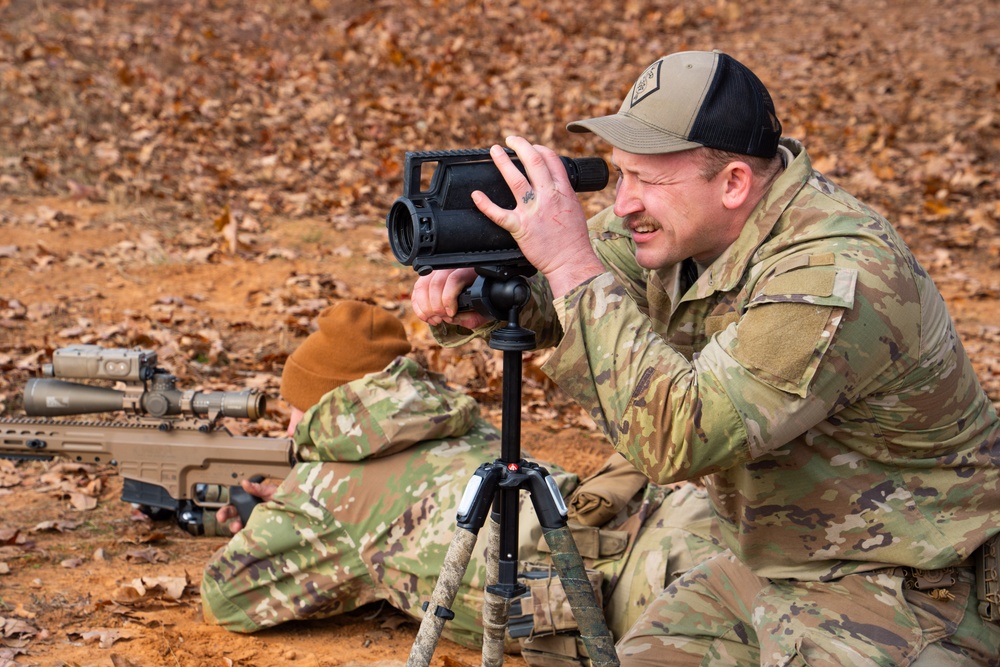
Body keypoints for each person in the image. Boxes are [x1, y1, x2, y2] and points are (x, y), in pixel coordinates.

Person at [410, 50, 1000, 665]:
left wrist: (567, 263)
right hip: (770, 565)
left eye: (649, 181)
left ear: (734, 183)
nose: (625, 202)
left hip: (911, 587)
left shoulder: (832, 272)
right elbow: (565, 296)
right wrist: (485, 294)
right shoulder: (678, 227)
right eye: (622, 175)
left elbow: (680, 436)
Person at [199, 299, 725, 663]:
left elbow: (226, 599)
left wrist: (281, 514)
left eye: (294, 411)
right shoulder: (459, 422)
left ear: (320, 411)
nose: (288, 428)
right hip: (670, 513)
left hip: (641, 598)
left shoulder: (322, 492)